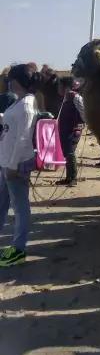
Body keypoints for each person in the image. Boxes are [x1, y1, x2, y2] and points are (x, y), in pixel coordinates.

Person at [0, 63, 38, 266]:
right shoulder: (20, 102)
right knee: (2, 204)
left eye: (11, 81)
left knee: (20, 208)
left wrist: (13, 166)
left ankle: (19, 249)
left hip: (15, 166)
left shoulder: (26, 105)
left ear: (17, 81)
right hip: (6, 163)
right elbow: (12, 127)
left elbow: (23, 138)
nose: (9, 84)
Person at [56, 76, 85, 187]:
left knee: (70, 152)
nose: (58, 88)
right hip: (65, 129)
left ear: (66, 86)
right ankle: (68, 178)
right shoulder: (65, 98)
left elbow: (83, 111)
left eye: (60, 85)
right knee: (66, 153)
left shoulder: (75, 97)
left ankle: (73, 178)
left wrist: (80, 125)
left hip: (73, 130)